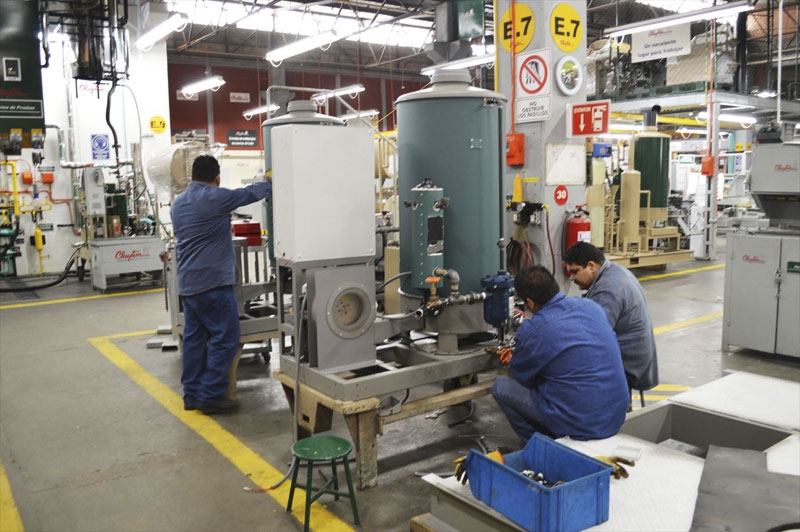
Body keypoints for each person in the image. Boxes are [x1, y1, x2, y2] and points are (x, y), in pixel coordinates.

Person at [171, 155, 272, 414]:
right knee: (226, 337)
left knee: (194, 340)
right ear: (217, 178)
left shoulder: (177, 203)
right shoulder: (216, 197)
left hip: (188, 284)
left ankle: (191, 395)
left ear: (191, 177)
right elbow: (250, 193)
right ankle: (210, 394)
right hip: (214, 283)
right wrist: (270, 181)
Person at [492, 265, 630, 443]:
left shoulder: (534, 330)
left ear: (530, 303)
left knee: (501, 386)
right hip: (616, 415)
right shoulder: (591, 306)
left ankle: (539, 445)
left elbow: (517, 374)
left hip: (583, 426)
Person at [563, 241, 658, 405]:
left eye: (574, 272)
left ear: (591, 266)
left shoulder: (607, 291)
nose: (571, 278)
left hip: (629, 367)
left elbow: (592, 339)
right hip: (638, 360)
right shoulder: (614, 271)